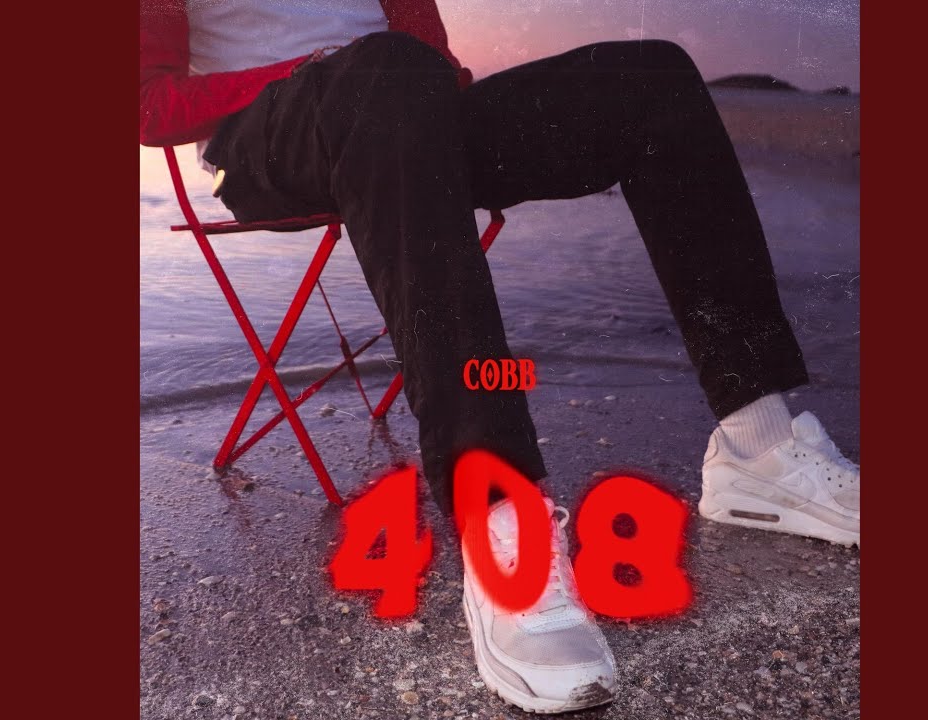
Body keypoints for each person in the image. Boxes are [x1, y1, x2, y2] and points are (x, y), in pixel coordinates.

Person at [140, 0, 860, 713]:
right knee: (385, 71)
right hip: (262, 140)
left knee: (651, 76)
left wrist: (430, 85)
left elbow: (429, 54)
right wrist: (306, 69)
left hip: (402, 106)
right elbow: (149, 106)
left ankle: (759, 446)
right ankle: (499, 519)